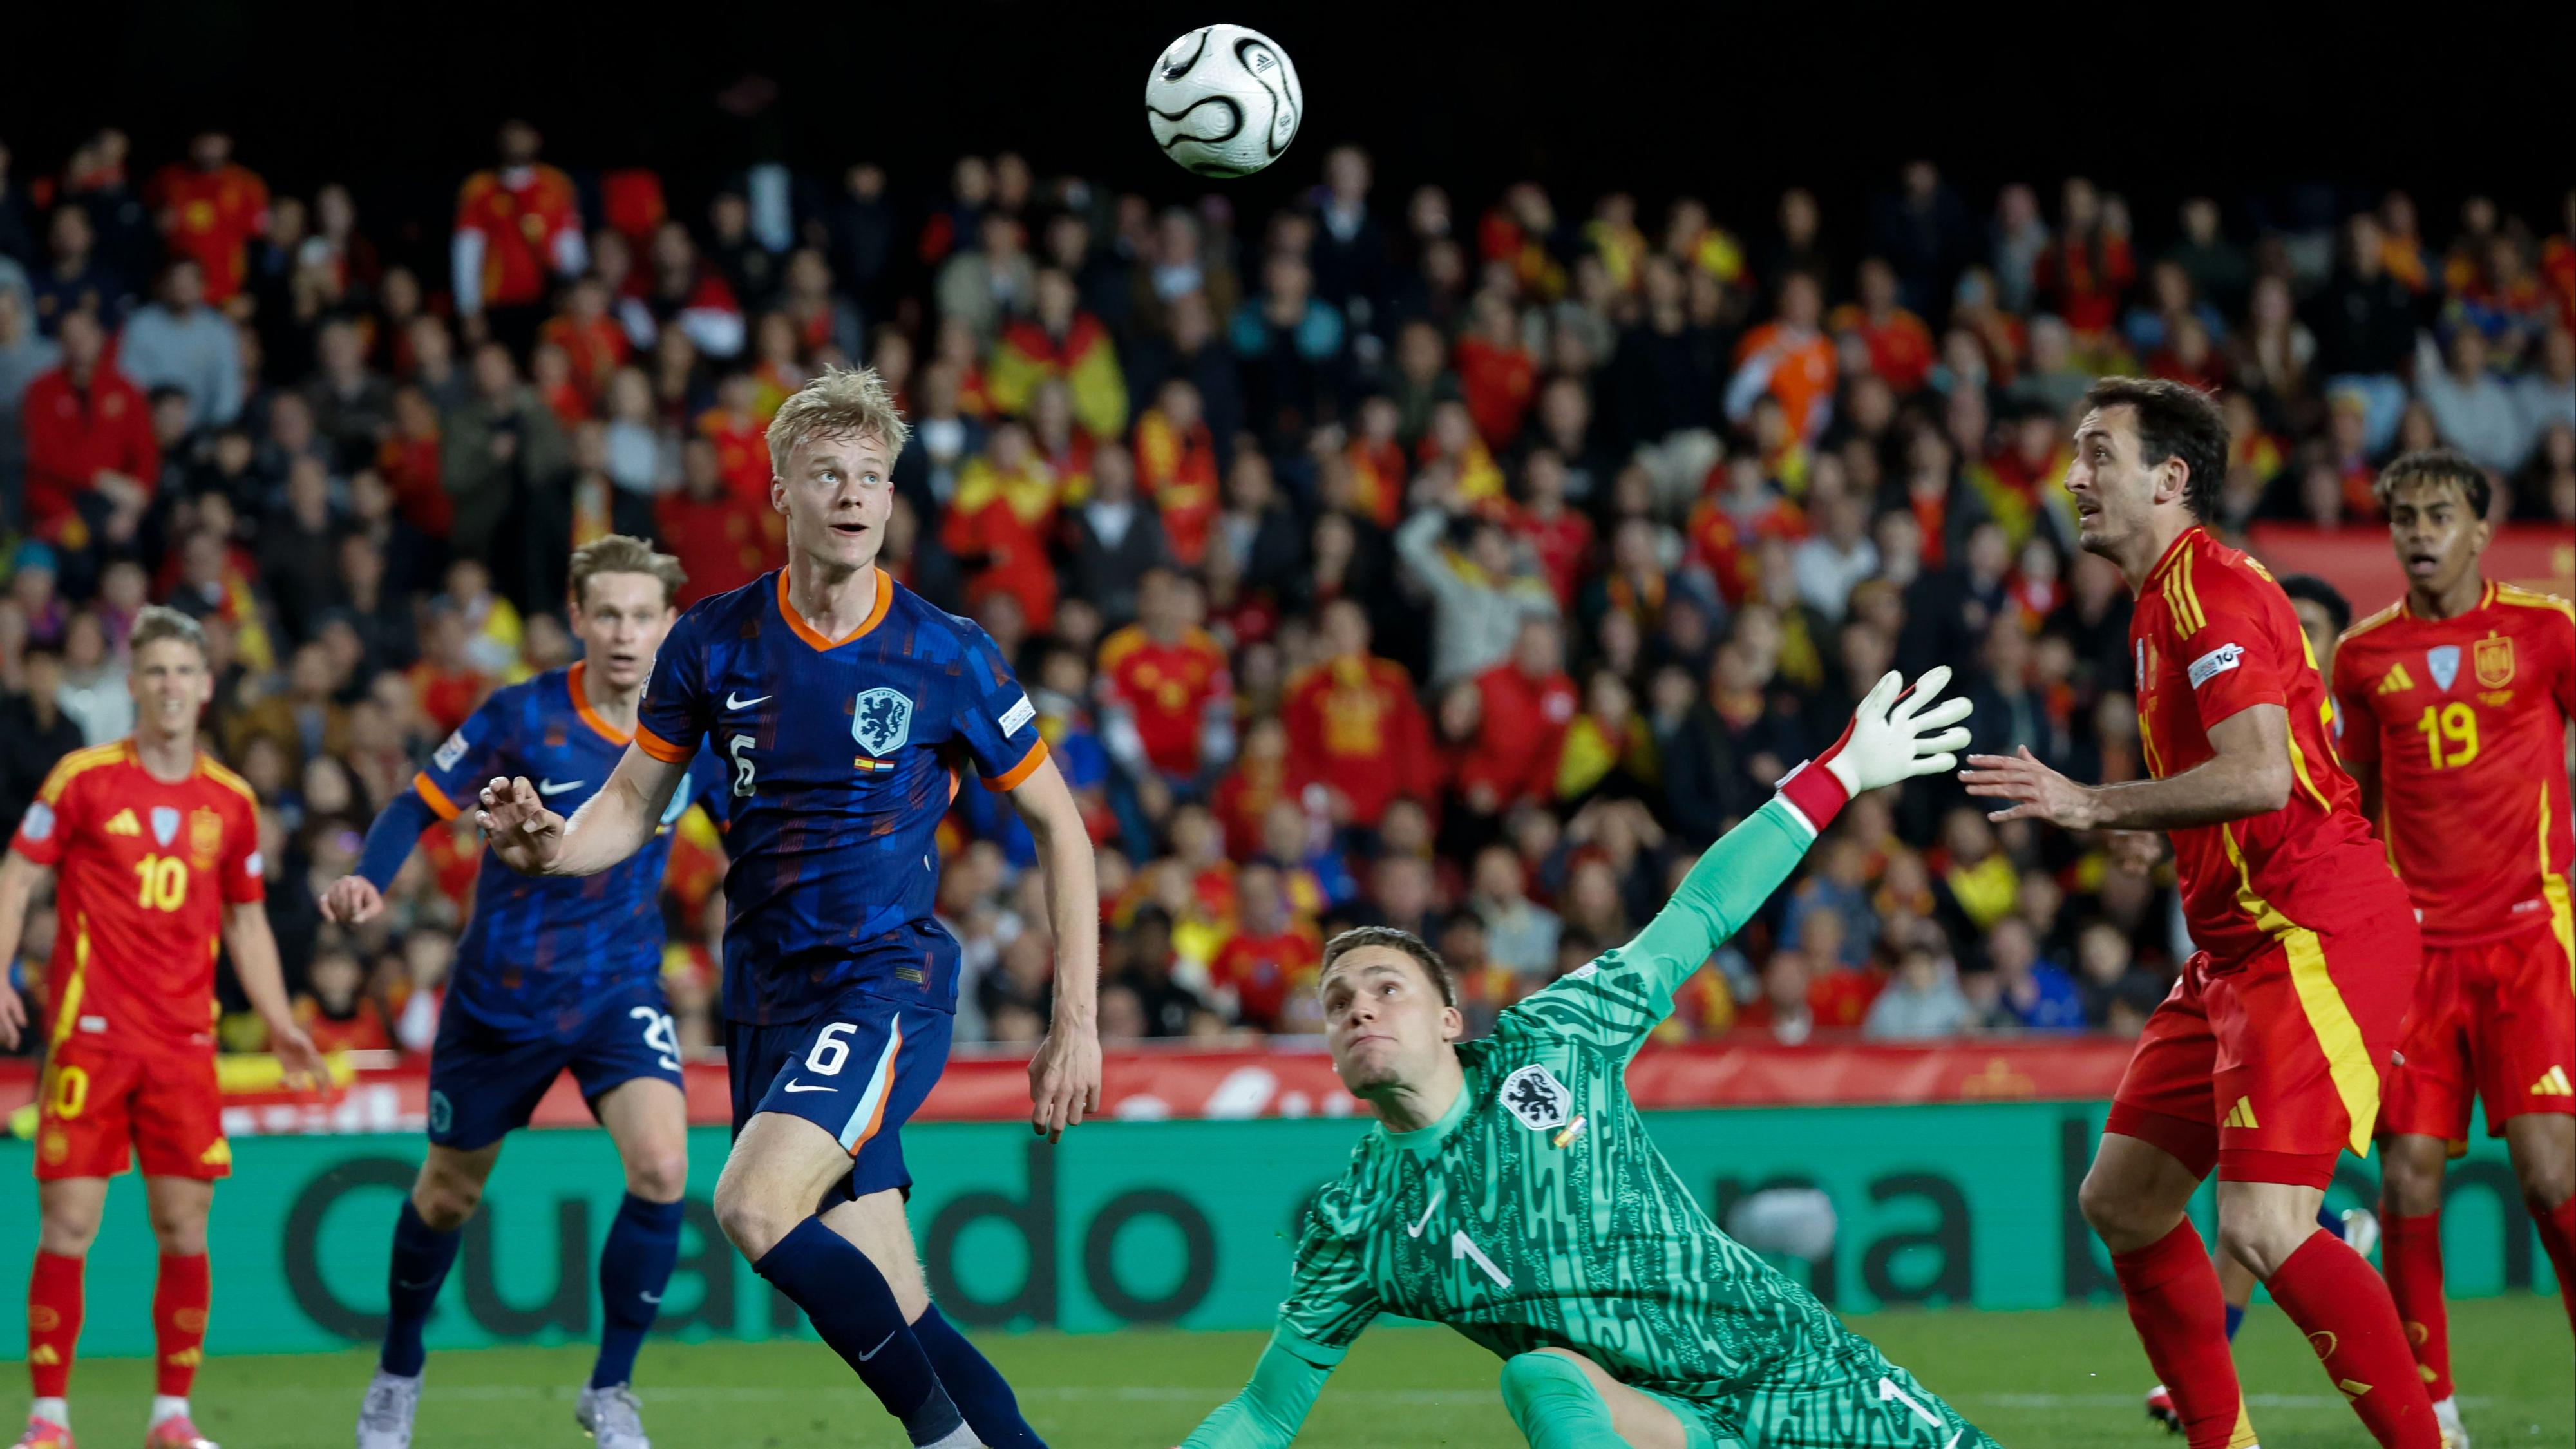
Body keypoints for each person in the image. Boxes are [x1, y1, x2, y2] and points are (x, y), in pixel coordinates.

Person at [472, 366, 1101, 1449]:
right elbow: (631, 803)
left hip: (883, 980)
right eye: (826, 474)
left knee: (754, 1206)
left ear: (892, 498)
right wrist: (552, 847)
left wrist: (1074, 1019)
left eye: (871, 475)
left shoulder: (946, 650)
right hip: (767, 996)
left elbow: (1062, 827)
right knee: (897, 1298)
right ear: (781, 492)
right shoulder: (713, 640)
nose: (852, 494)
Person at [1178, 668, 1991, 1449]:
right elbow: (1262, 1416)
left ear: (1450, 1020)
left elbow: (1700, 911)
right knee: (1543, 1376)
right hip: (1665, 1427)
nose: (1358, 1008)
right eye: (1335, 1004)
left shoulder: (1553, 1043)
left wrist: (1838, 773)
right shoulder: (1361, 1223)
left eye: (1387, 988)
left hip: (1798, 1372)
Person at [1963, 377, 2438, 1449]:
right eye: (2075, 454)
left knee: (2266, 1225)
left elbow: (2262, 775)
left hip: (2310, 934)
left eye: (2099, 453)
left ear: (2170, 478)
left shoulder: (2206, 591)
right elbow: (2244, 784)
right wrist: (2160, 828)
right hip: (2231, 951)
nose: (2073, 477)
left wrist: (2096, 803)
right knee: (2123, 1201)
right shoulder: (2158, 603)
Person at [345, 536, 730, 1449]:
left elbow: (747, 837)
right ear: (577, 617)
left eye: (643, 615)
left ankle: (611, 1390)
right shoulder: (521, 713)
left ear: (669, 623)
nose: (626, 633)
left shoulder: (695, 731)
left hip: (618, 989)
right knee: (447, 1195)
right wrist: (369, 876)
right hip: (502, 997)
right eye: (609, 614)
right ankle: (398, 1370)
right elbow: (416, 803)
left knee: (663, 1168)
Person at [0, 607, 326, 1449]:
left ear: (207, 685)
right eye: (155, 671)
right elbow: (19, 873)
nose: (171, 686)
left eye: (184, 670)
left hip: (184, 1044)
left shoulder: (232, 801)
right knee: (68, 1225)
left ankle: (171, 1417)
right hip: (91, 1037)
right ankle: (49, 1419)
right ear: (134, 685)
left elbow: (247, 920)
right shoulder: (82, 779)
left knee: (184, 1228)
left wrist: (280, 1020)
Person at [2328, 448, 2576, 1446]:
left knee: (2552, 1178)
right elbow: (2356, 803)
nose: (2420, 533)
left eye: (2439, 515)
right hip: (2418, 954)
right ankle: (2432, 1412)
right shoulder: (2362, 657)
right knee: (2408, 1177)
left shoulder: (2547, 629)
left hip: (2527, 938)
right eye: (2404, 518)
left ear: (2482, 529)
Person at [2137, 570, 2382, 1434]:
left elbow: (2313, 811)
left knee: (2271, 1210)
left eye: (2314, 626)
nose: (2297, 638)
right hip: (2248, 948)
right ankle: (2333, 1235)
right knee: (2219, 1198)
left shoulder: (2325, 718)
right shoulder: (2223, 679)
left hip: (2334, 945)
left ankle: (2425, 1402)